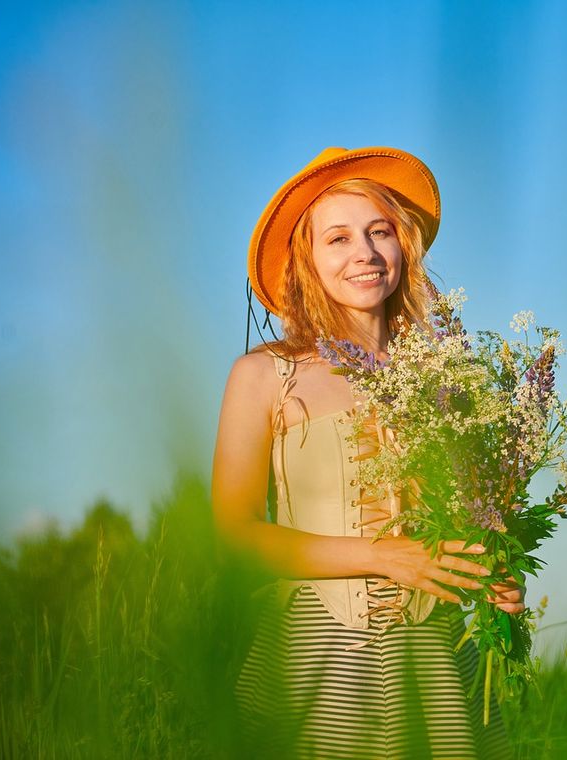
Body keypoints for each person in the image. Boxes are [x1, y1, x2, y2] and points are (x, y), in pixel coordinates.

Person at [212, 146, 521, 758]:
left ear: (403, 246)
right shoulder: (265, 374)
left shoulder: (449, 381)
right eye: (338, 238)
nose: (365, 252)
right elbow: (236, 533)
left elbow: (471, 522)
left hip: (435, 659)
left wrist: (490, 574)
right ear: (307, 261)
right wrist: (382, 556)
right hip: (313, 654)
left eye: (379, 231)